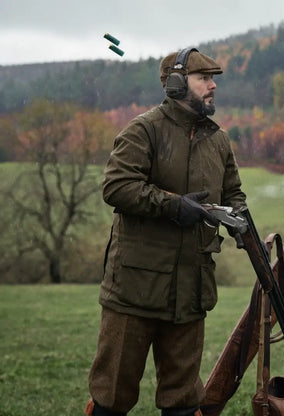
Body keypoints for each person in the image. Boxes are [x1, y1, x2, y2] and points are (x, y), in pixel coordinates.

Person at [85, 47, 246, 416]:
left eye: (214, 80)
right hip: (134, 290)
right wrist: (175, 206)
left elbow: (233, 191)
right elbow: (117, 186)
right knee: (112, 397)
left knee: (184, 402)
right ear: (175, 84)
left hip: (190, 290)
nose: (212, 87)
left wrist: (240, 222)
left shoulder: (218, 140)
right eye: (204, 79)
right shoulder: (144, 129)